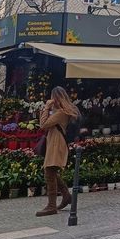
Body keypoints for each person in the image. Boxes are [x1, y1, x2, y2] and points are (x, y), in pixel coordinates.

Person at [36, 86, 80, 217]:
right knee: (51, 171)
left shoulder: (61, 113)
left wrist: (46, 107)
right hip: (54, 143)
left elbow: (43, 125)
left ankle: (51, 206)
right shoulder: (60, 112)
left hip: (56, 144)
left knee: (49, 172)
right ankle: (66, 196)